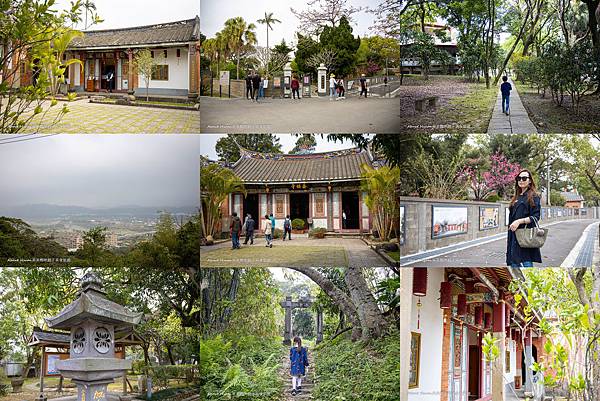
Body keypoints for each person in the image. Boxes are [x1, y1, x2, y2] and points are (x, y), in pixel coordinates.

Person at [506, 169, 542, 267]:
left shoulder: (534, 196)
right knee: (513, 262)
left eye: (524, 178)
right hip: (513, 235)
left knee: (526, 261)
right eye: (519, 178)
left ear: (530, 180)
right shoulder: (516, 197)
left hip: (525, 235)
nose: (521, 180)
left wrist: (518, 221)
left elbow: (536, 217)